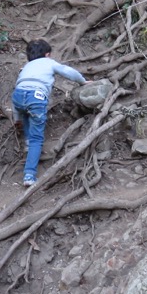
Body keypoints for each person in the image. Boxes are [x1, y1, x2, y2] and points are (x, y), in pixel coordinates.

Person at [12, 39, 90, 187]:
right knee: (37, 138)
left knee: (25, 113)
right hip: (36, 97)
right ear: (47, 54)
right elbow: (68, 72)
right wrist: (82, 81)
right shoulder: (49, 62)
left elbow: (18, 94)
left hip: (18, 95)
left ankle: (28, 143)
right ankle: (29, 175)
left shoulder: (26, 67)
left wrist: (17, 118)